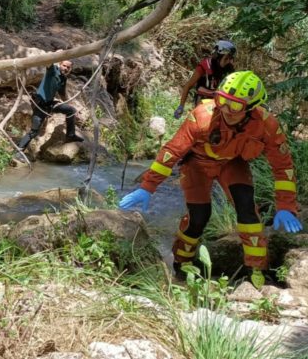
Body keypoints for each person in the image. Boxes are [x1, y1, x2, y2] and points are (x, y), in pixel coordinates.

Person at [119, 71, 303, 289]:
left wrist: (285, 205)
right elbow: (172, 151)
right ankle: (182, 262)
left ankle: (257, 270)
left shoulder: (267, 125)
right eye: (222, 100)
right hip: (197, 164)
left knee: (247, 211)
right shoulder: (202, 115)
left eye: (235, 106)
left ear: (252, 108)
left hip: (232, 164)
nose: (226, 110)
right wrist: (147, 187)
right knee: (199, 216)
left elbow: (283, 167)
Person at [17, 60, 84, 152]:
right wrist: (57, 54)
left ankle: (70, 135)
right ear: (60, 64)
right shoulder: (52, 70)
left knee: (71, 110)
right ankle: (19, 151)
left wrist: (72, 106)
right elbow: (48, 62)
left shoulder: (63, 78)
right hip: (40, 105)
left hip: (50, 104)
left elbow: (63, 95)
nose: (66, 68)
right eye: (64, 66)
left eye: (68, 67)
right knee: (34, 131)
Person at [175, 40, 236, 119]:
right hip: (202, 101)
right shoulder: (204, 66)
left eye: (230, 59)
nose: (228, 61)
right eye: (226, 58)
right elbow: (188, 85)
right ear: (218, 56)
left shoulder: (228, 69)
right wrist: (181, 106)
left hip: (218, 103)